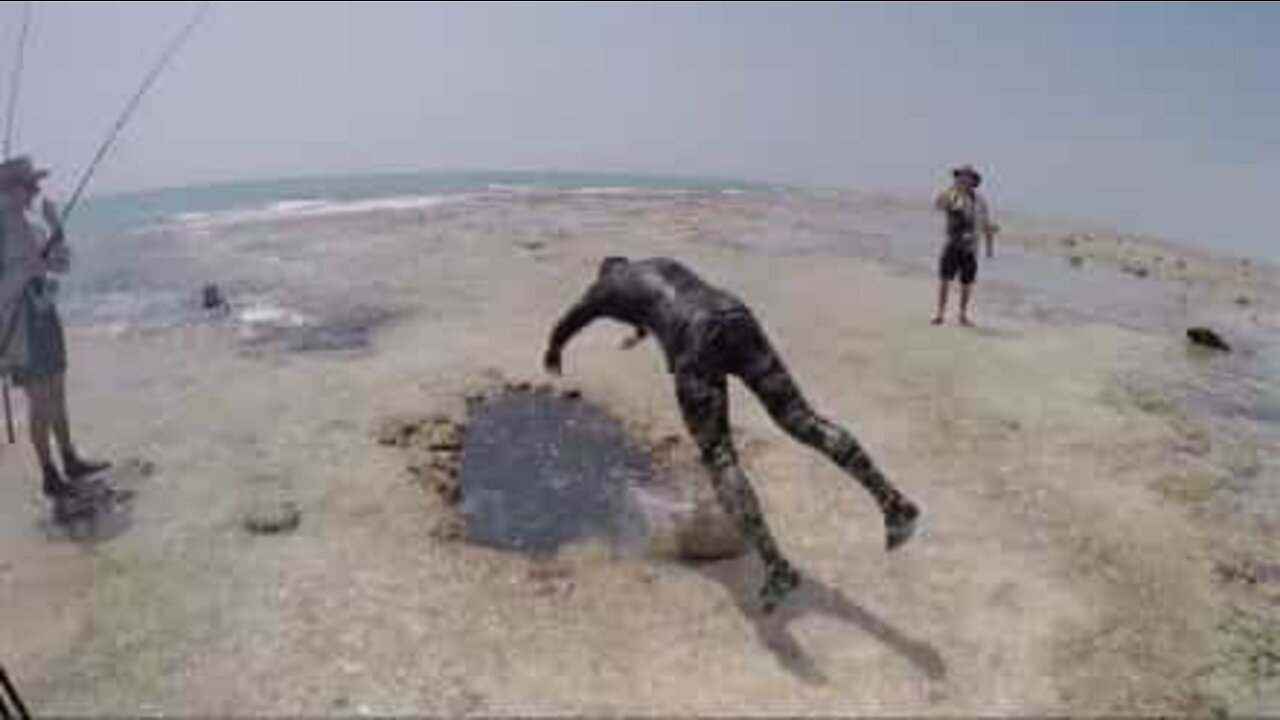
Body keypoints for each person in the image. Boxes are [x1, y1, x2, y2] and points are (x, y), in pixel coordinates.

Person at [544, 257, 921, 612]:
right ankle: (893, 503)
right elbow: (660, 305)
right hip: (732, 312)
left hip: (694, 338)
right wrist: (641, 334)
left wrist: (553, 351)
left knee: (720, 455)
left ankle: (777, 567)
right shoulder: (658, 266)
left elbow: (568, 321)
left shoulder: (604, 289)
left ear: (604, 276)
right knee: (800, 418)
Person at [0, 156, 109, 501]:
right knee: (40, 401)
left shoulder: (34, 224)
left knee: (58, 392)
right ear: (10, 189)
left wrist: (55, 224)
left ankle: (70, 460)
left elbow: (62, 265)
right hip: (19, 325)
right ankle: (49, 475)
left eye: (35, 184)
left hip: (45, 314)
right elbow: (20, 273)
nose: (36, 190)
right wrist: (25, 272)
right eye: (29, 185)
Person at [932, 165, 998, 326]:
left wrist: (989, 248)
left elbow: (986, 225)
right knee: (945, 280)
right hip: (952, 245)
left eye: (967, 176)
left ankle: (962, 315)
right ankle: (940, 314)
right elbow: (938, 205)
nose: (963, 178)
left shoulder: (981, 201)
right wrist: (951, 190)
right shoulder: (952, 194)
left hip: (971, 249)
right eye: (961, 176)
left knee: (967, 285)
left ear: (973, 181)